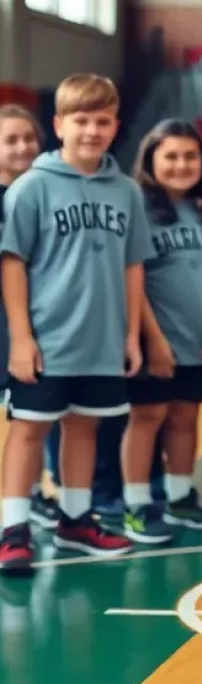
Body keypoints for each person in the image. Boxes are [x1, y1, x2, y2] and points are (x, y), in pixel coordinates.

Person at [0, 74, 147, 574]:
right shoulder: (32, 186)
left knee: (84, 427)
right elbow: (12, 262)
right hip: (47, 337)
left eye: (102, 121)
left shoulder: (126, 191)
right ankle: (13, 529)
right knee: (29, 429)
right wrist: (21, 338)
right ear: (60, 125)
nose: (91, 131)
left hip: (102, 338)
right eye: (81, 120)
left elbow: (133, 266)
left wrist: (131, 334)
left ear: (115, 126)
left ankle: (75, 520)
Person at [119, 120, 202, 543]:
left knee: (186, 416)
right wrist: (153, 340)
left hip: (199, 339)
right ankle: (136, 505)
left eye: (190, 156)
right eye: (170, 156)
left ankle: (180, 497)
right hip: (154, 339)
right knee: (148, 416)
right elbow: (131, 277)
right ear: (150, 160)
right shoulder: (137, 207)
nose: (181, 164)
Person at [0, 107, 54, 529]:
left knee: (34, 416)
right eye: (10, 140)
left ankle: (33, 493)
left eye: (28, 138)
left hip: (36, 322)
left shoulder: (47, 195)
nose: (22, 147)